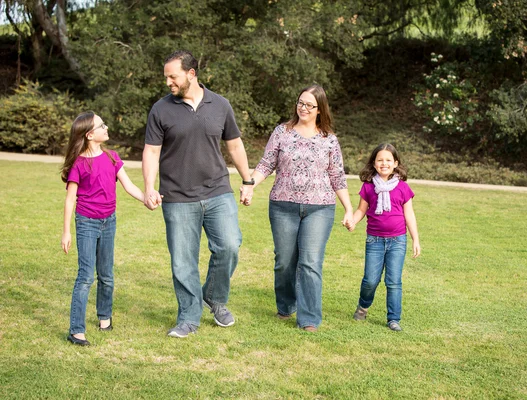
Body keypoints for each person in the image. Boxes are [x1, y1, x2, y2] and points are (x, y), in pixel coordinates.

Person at [143, 50, 253, 338]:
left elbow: (235, 146)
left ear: (191, 74)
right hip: (177, 197)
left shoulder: (220, 104)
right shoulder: (161, 109)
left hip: (218, 191)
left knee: (229, 246)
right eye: (166, 76)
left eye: (173, 76)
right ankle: (189, 316)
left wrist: (248, 180)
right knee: (183, 260)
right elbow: (151, 152)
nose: (168, 82)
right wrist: (148, 187)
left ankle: (215, 298)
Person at [241, 85, 354, 332]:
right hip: (283, 205)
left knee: (310, 262)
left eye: (309, 105)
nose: (303, 108)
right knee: (284, 261)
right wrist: (250, 185)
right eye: (300, 103)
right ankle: (286, 305)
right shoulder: (282, 132)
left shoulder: (329, 140)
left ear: (320, 110)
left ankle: (309, 318)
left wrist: (348, 208)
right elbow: (266, 163)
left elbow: (337, 176)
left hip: (320, 208)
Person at [61, 112, 145, 346]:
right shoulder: (79, 163)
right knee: (86, 276)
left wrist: (147, 199)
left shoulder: (112, 157)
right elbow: (70, 199)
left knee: (106, 275)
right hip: (86, 222)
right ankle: (76, 330)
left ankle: (104, 318)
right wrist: (66, 231)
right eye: (102, 126)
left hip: (109, 221)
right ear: (89, 135)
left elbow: (129, 187)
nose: (106, 128)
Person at [346, 143, 421, 332]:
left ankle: (393, 319)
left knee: (393, 281)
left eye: (388, 160)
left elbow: (409, 215)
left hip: (397, 241)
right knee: (370, 280)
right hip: (375, 241)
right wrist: (352, 221)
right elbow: (361, 210)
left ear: (395, 163)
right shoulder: (368, 187)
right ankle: (363, 306)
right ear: (374, 163)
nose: (384, 163)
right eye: (380, 160)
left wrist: (415, 239)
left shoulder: (403, 188)